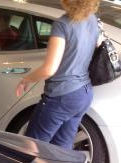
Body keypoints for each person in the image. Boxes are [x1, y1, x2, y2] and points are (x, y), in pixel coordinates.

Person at [16, 0, 100, 150]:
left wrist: (26, 79)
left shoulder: (62, 25)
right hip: (83, 93)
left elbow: (50, 69)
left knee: (31, 146)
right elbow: (96, 46)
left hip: (62, 96)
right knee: (61, 148)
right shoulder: (93, 20)